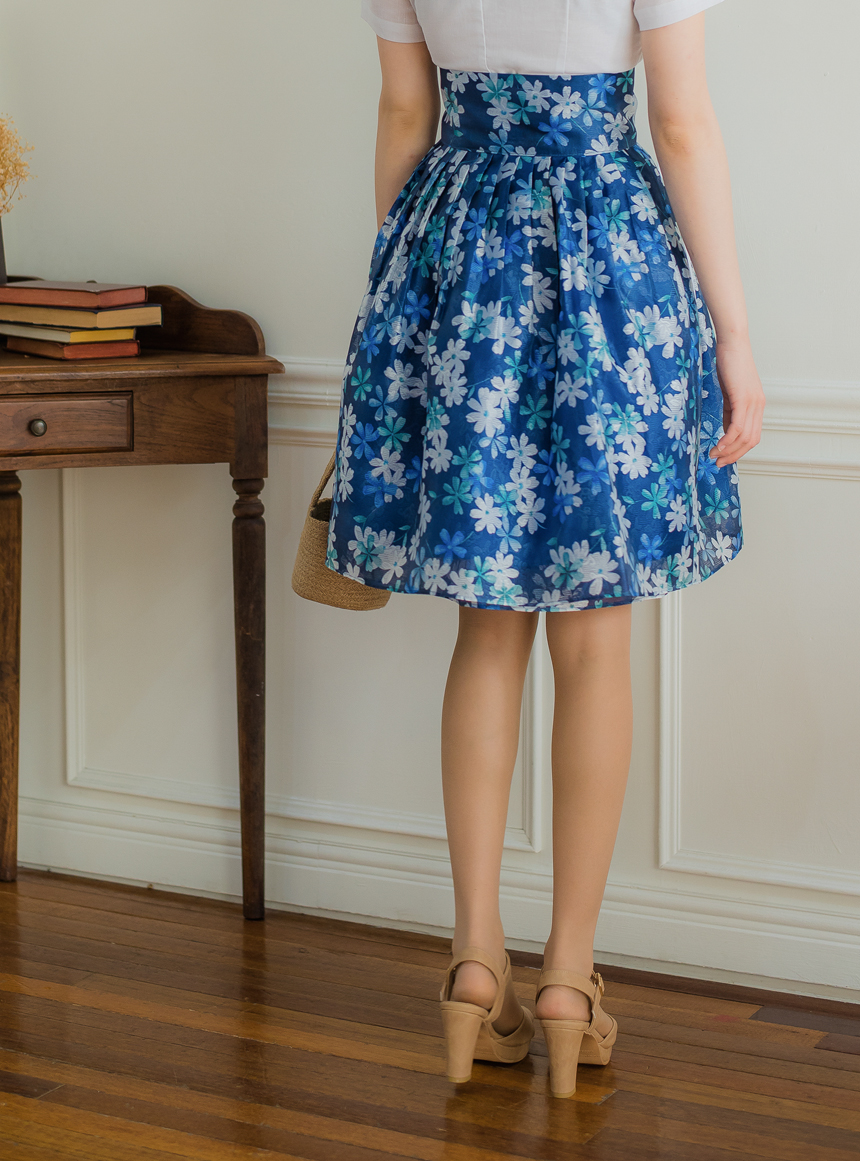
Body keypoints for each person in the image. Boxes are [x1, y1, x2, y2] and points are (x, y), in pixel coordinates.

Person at [325, 0, 765, 1097]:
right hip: (608, 260)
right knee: (594, 643)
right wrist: (736, 337)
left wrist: (413, 295)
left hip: (458, 257)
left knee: (486, 635)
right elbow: (681, 125)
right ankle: (568, 976)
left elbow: (403, 112)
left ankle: (475, 962)